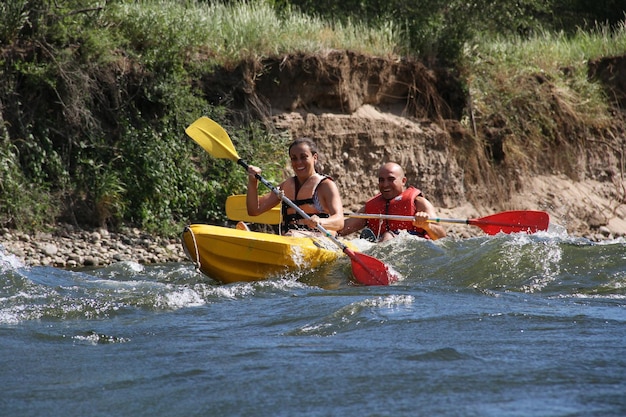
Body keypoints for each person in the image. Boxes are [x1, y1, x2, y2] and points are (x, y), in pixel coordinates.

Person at [245, 137, 344, 236]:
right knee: (290, 235)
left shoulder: (325, 185)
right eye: (294, 158)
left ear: (315, 158)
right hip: (291, 239)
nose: (299, 162)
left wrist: (320, 222)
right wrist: (253, 182)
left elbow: (339, 221)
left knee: (291, 235)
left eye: (303, 157)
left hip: (319, 241)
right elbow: (254, 210)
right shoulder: (286, 186)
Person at [339, 162, 446, 241]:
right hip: (381, 249)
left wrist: (427, 226)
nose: (385, 185)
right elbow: (343, 228)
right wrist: (325, 225)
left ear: (403, 181)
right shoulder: (371, 207)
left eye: (391, 179)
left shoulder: (419, 203)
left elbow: (442, 237)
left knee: (388, 236)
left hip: (412, 251)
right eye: (381, 180)